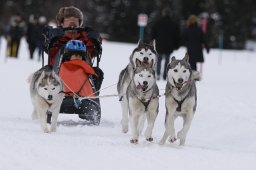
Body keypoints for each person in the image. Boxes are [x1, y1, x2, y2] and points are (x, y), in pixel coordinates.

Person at [43, 6, 103, 90]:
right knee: (44, 72)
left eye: (75, 20)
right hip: (58, 72)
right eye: (68, 20)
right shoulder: (57, 36)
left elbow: (92, 52)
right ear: (62, 23)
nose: (72, 23)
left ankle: (92, 94)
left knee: (98, 73)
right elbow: (49, 50)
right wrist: (51, 39)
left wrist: (95, 39)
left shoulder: (85, 37)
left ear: (79, 23)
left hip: (82, 73)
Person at [151, 8, 180, 80]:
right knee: (167, 60)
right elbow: (177, 36)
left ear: (163, 14)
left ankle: (157, 74)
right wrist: (176, 46)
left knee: (159, 59)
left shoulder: (158, 22)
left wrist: (152, 39)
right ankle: (164, 75)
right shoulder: (173, 24)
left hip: (160, 44)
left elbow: (153, 33)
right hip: (169, 45)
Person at [183, 15, 210, 80]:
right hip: (198, 49)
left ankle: (192, 75)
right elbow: (203, 39)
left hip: (190, 48)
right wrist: (207, 47)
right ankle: (195, 75)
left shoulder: (187, 29)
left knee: (191, 62)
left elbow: (183, 39)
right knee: (194, 63)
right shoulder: (199, 30)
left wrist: (186, 44)